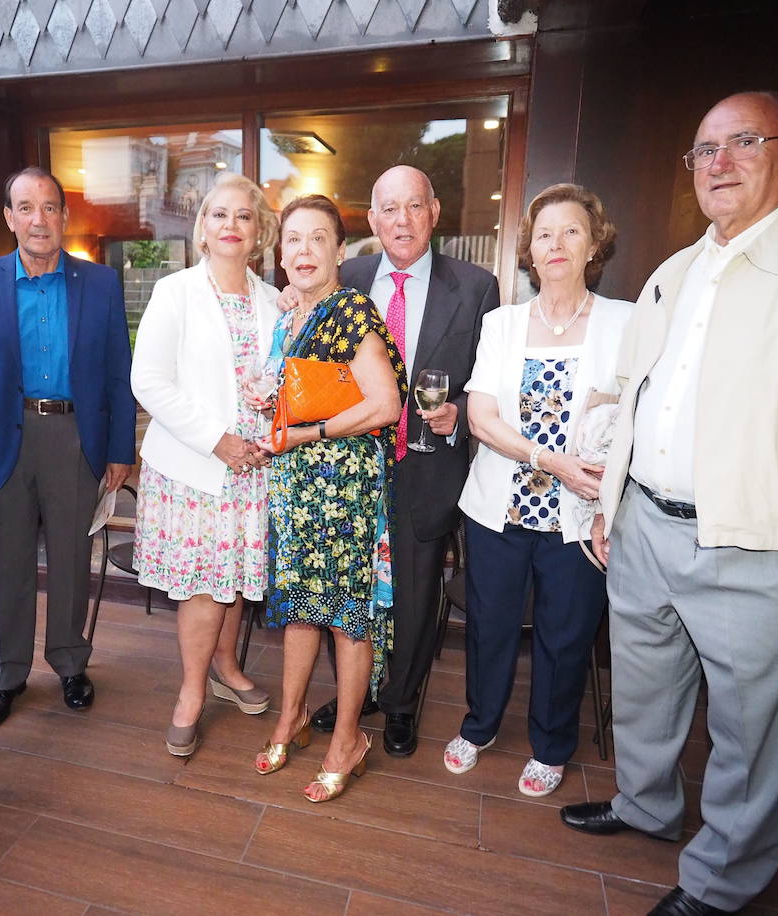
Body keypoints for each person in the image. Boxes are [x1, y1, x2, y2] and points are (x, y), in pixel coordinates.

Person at [558, 91, 778, 916]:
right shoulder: (674, 272)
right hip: (646, 524)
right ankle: (646, 806)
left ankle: (721, 881)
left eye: (743, 142)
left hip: (760, 543)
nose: (717, 162)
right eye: (703, 150)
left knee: (750, 733)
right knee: (645, 691)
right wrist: (612, 501)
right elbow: (636, 397)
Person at [447, 184, 631, 795]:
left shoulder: (624, 323)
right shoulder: (501, 324)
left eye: (571, 231)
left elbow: (635, 422)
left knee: (566, 632)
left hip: (580, 514)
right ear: (529, 249)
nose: (556, 244)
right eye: (545, 233)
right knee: (491, 624)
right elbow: (481, 417)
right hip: (500, 504)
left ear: (593, 244)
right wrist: (549, 460)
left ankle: (551, 745)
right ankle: (480, 726)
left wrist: (608, 501)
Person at [312, 165, 501, 757]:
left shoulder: (475, 286)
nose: (401, 220)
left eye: (413, 207)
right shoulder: (348, 277)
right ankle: (355, 691)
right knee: (350, 586)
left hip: (426, 466)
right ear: (371, 220)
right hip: (350, 464)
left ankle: (399, 702)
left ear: (434, 213)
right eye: (389, 209)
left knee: (416, 596)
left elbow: (491, 377)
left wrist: (462, 409)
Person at [0, 168, 136, 728]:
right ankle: (6, 676)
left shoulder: (100, 284)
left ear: (64, 217)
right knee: (6, 564)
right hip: (3, 440)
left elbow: (115, 374)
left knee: (71, 560)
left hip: (75, 436)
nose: (39, 219)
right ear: (9, 218)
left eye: (50, 207)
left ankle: (69, 663)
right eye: (26, 208)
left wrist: (120, 448)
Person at [254, 194, 407, 802]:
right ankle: (289, 717)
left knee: (347, 618)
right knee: (298, 609)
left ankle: (347, 738)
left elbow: (386, 405)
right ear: (281, 252)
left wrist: (305, 432)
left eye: (319, 238)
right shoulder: (287, 316)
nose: (304, 251)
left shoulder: (352, 310)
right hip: (296, 489)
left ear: (341, 251)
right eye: (294, 239)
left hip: (344, 489)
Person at [130, 174, 280, 756]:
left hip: (256, 467)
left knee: (236, 573)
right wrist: (218, 440)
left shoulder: (275, 300)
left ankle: (226, 664)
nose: (231, 226)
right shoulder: (176, 291)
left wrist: (267, 439)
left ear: (259, 230)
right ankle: (191, 691)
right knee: (202, 586)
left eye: (244, 217)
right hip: (195, 466)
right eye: (220, 215)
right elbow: (149, 381)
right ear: (202, 227)